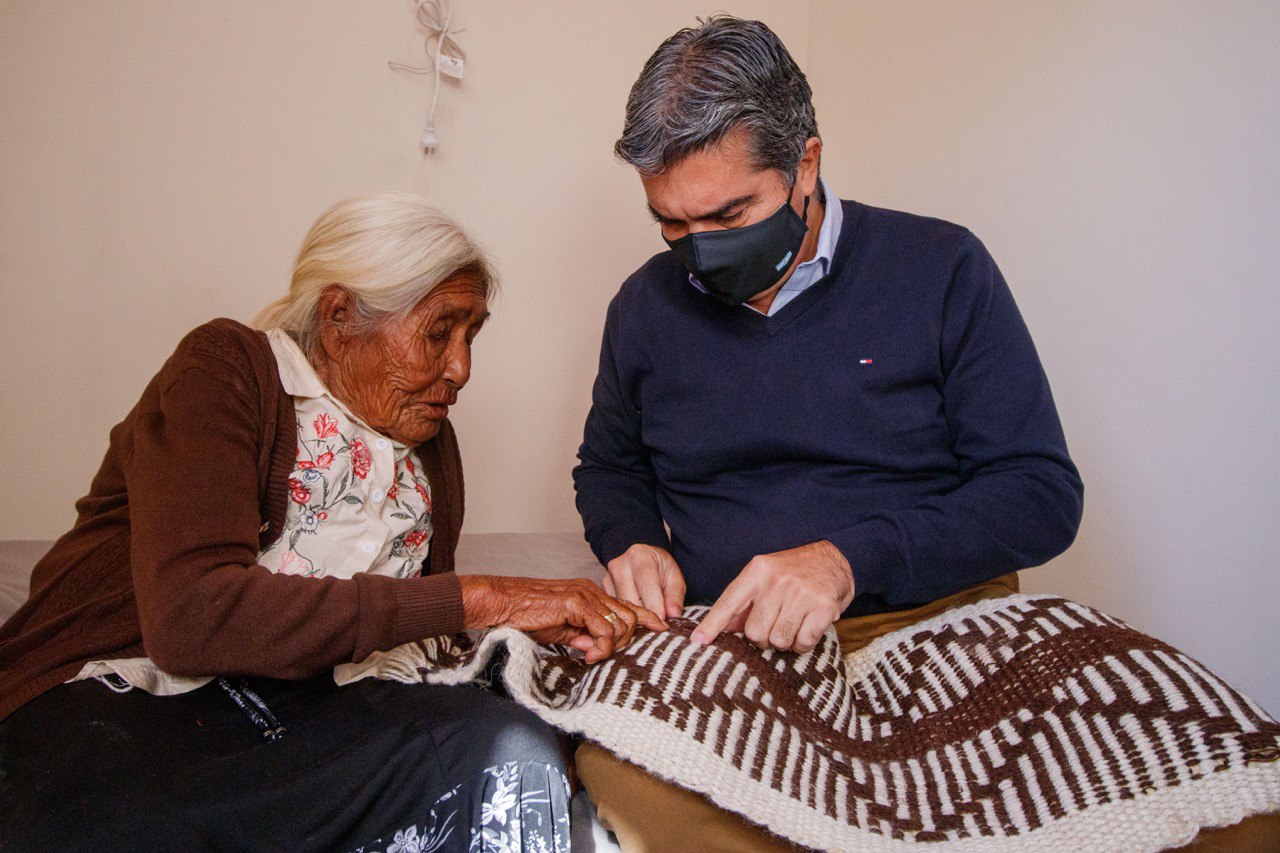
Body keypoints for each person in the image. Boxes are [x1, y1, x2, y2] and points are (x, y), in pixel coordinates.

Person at [0, 193, 664, 851]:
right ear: (339, 316)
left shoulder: (429, 443)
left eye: (472, 335)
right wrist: (485, 597)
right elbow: (193, 618)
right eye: (439, 332)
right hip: (133, 703)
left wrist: (536, 645)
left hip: (312, 719)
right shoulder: (225, 367)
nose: (461, 368)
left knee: (510, 755)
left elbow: (411, 638)